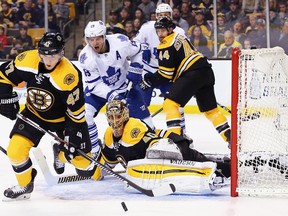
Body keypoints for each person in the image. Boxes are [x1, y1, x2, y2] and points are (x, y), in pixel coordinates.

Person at [0, 32, 97, 200]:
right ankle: (25, 184)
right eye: (45, 54)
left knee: (85, 167)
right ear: (39, 52)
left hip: (63, 120)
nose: (48, 59)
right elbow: (3, 75)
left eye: (53, 54)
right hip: (33, 114)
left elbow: (77, 114)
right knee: (15, 152)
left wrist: (74, 139)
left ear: (61, 53)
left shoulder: (69, 76)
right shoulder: (26, 60)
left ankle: (60, 152)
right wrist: (4, 98)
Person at [93, 100, 230, 193]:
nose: (115, 121)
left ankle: (228, 169)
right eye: (111, 117)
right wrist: (93, 171)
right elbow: (107, 164)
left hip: (172, 142)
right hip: (160, 159)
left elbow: (157, 148)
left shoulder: (134, 127)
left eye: (118, 116)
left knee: (193, 160)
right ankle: (224, 165)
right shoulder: (108, 137)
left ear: (125, 116)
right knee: (192, 161)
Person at [139, 16, 231, 148]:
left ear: (170, 29)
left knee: (170, 104)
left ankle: (176, 142)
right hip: (206, 71)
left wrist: (148, 81)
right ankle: (229, 136)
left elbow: (165, 74)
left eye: (163, 31)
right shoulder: (179, 36)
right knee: (211, 110)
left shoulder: (166, 44)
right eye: (158, 31)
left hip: (192, 73)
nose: (160, 34)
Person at [78, 20, 153, 159]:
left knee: (148, 125)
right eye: (91, 39)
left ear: (104, 36)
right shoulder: (85, 57)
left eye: (98, 38)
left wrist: (136, 66)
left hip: (125, 87)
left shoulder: (121, 41)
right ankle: (94, 152)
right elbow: (94, 85)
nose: (95, 43)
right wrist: (112, 95)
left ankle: (151, 149)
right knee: (84, 114)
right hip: (98, 92)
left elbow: (139, 50)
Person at [134, 3, 188, 135]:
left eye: (166, 15)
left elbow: (185, 52)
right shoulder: (147, 28)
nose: (163, 18)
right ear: (155, 16)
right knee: (140, 104)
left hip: (167, 73)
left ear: (171, 16)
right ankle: (140, 133)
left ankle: (181, 133)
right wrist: (144, 47)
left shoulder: (179, 32)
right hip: (148, 72)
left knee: (175, 105)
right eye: (160, 15)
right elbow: (135, 43)